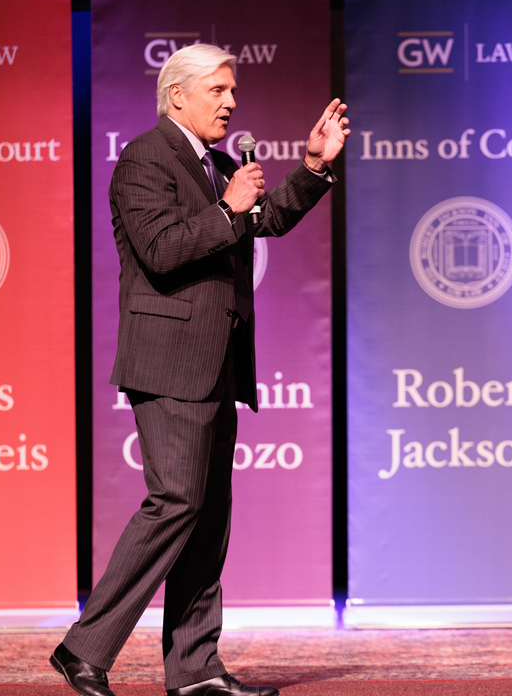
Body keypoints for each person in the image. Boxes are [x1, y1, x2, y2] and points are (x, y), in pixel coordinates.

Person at [50, 43, 349, 696]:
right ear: (177, 94)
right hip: (169, 364)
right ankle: (84, 647)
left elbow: (266, 220)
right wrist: (227, 209)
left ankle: (193, 670)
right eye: (218, 89)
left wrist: (314, 169)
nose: (231, 101)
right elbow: (160, 252)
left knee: (207, 517)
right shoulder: (143, 159)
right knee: (176, 501)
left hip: (219, 366)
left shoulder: (217, 165)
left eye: (232, 90)